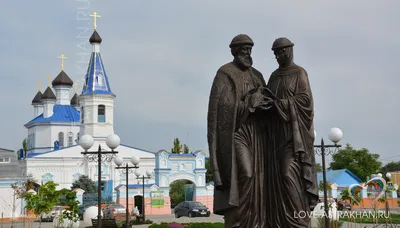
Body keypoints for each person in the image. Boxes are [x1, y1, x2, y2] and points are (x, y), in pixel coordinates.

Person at [207, 34, 270, 228]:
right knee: (247, 173)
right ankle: (239, 220)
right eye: (243, 50)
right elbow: (221, 108)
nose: (247, 53)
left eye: (250, 50)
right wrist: (249, 104)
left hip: (257, 135)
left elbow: (267, 100)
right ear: (234, 51)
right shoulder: (225, 73)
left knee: (259, 179)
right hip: (236, 133)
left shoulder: (257, 75)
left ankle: (256, 220)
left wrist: (264, 104)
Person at [262, 37, 318, 227]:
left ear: (290, 51)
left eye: (281, 52)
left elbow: (305, 102)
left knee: (288, 174)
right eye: (276, 53)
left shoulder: (299, 73)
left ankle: (299, 221)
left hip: (294, 137)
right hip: (275, 136)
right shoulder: (274, 76)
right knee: (276, 179)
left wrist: (283, 103)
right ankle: (280, 220)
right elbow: (268, 100)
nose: (278, 56)